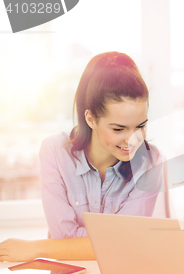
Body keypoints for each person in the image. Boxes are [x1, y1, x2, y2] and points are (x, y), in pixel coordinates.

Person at [0, 52, 163, 262]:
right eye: (118, 129)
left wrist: (38, 248)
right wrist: (110, 243)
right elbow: (63, 235)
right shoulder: (55, 151)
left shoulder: (150, 162)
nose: (132, 140)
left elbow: (124, 243)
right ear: (91, 119)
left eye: (141, 126)